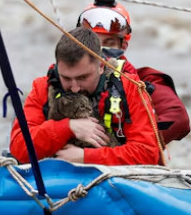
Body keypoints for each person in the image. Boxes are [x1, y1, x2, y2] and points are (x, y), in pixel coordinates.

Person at [9, 26, 162, 166]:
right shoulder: (42, 87)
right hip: (57, 178)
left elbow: (147, 154)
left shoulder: (129, 87)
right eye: (66, 78)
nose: (74, 88)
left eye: (83, 78)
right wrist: (67, 127)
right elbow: (19, 148)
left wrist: (85, 156)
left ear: (101, 66)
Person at [77, 0, 191, 144]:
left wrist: (130, 146)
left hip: (125, 160)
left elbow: (178, 120)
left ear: (123, 46)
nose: (99, 51)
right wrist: (67, 127)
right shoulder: (65, 78)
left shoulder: (145, 81)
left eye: (109, 42)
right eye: (93, 42)